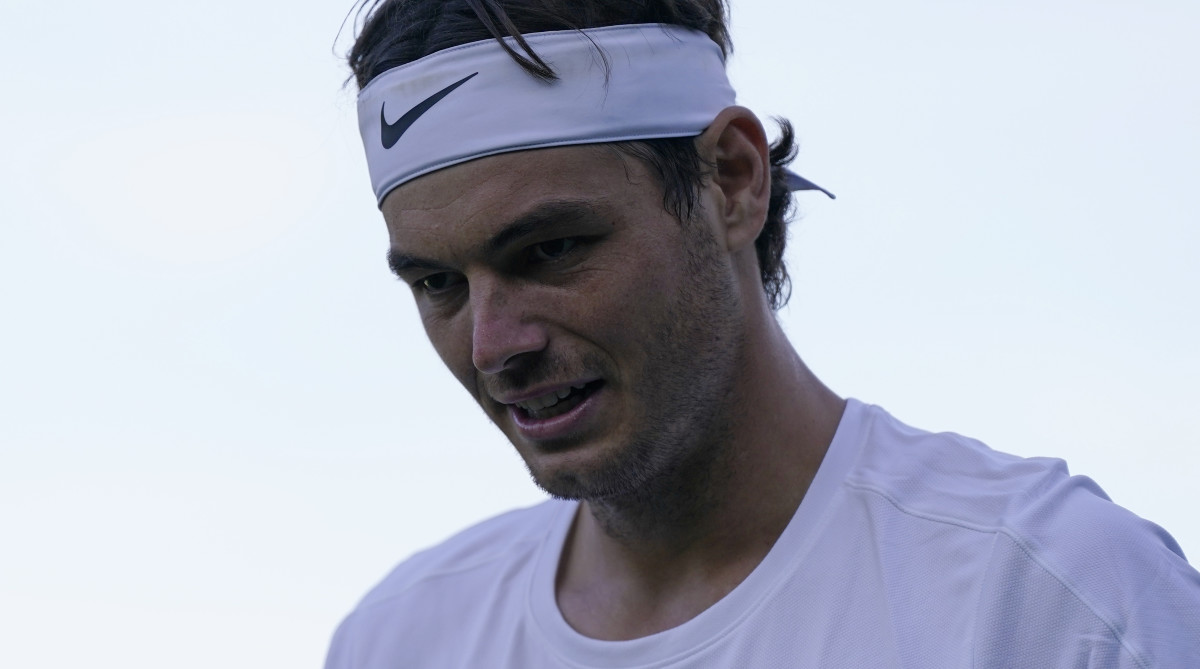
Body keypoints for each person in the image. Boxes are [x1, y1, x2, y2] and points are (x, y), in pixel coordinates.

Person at [326, 1, 1200, 666]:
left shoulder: (1050, 604)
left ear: (732, 180)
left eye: (552, 248)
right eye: (439, 283)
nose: (492, 343)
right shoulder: (406, 638)